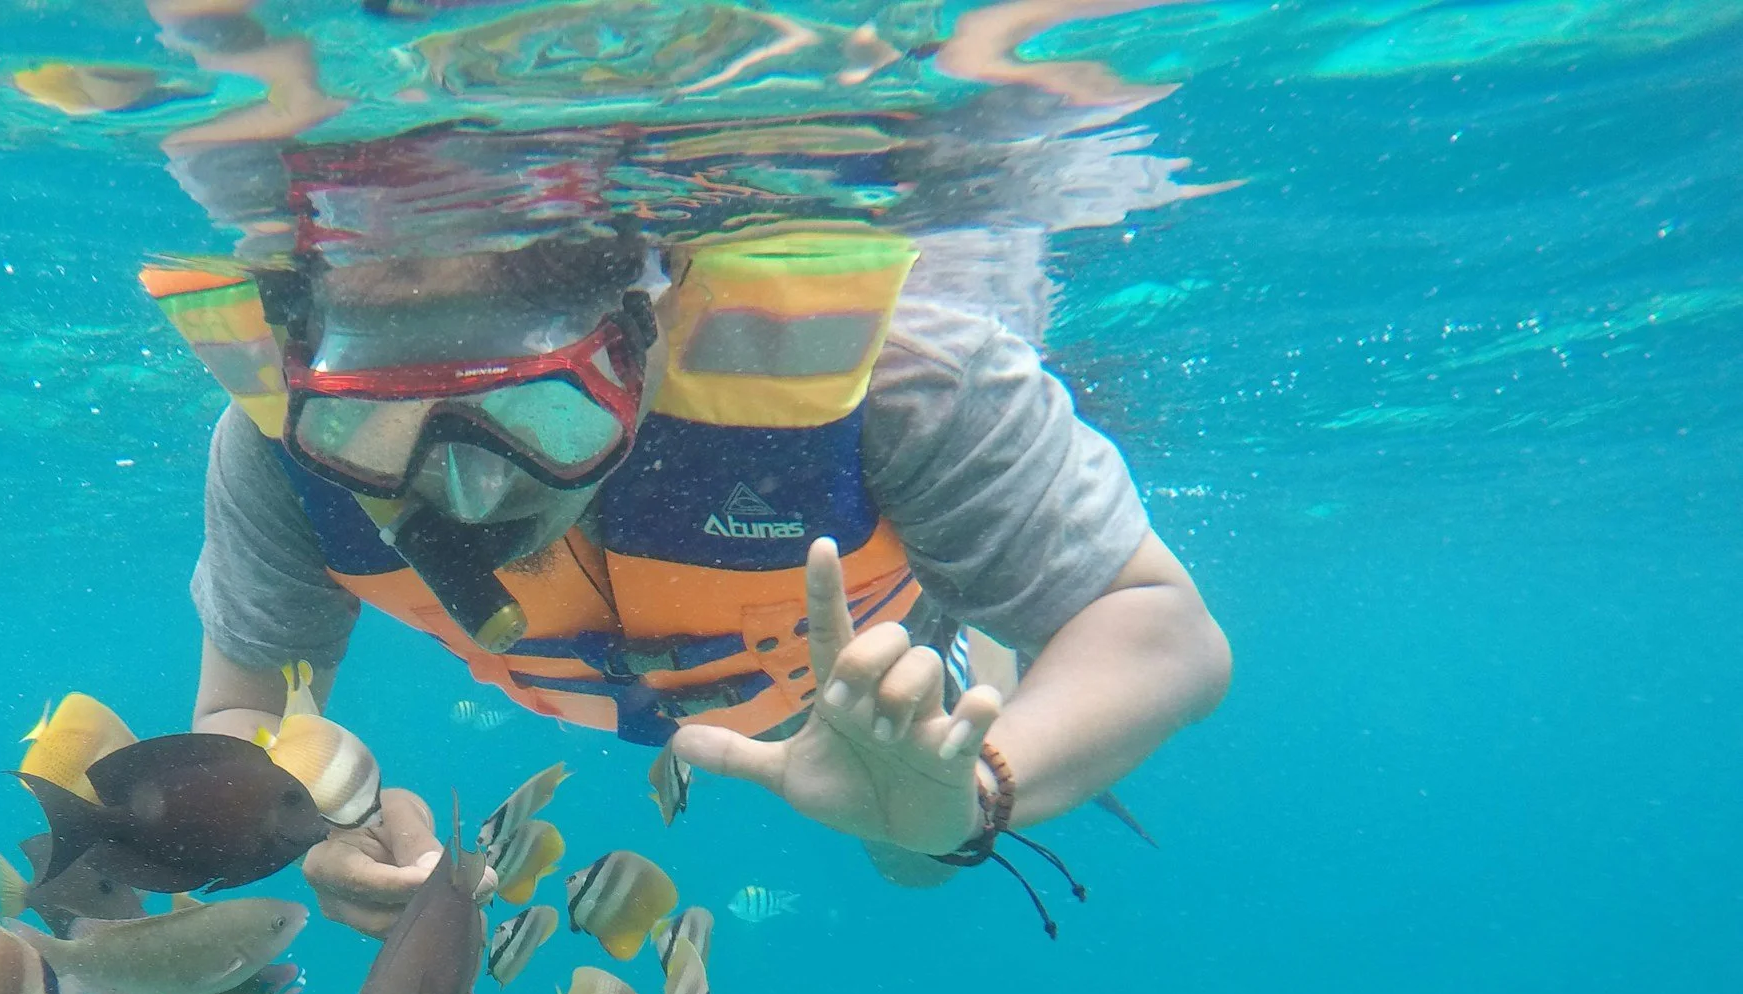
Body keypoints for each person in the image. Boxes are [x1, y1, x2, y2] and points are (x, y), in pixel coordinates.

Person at [148, 173, 1229, 936]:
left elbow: (1164, 629)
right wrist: (304, 822)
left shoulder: (905, 382)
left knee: (917, 858)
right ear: (306, 367)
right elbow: (234, 715)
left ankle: (953, 691)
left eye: (540, 416)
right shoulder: (272, 453)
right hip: (716, 688)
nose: (473, 490)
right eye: (374, 424)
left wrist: (984, 786)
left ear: (646, 325)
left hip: (868, 664)